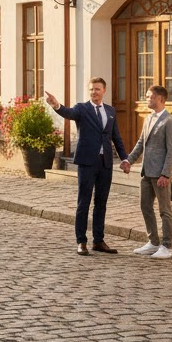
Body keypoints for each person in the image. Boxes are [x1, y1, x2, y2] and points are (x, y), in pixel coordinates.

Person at [46, 79, 128, 255]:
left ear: (104, 90)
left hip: (105, 162)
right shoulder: (82, 109)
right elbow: (68, 113)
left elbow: (116, 137)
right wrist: (56, 105)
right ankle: (81, 241)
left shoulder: (110, 111)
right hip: (87, 162)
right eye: (91, 89)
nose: (94, 92)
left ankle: (98, 241)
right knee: (84, 202)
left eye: (97, 89)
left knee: (101, 203)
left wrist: (125, 159)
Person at [121, 85, 172, 260]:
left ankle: (166, 246)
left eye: (150, 97)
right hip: (146, 172)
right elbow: (141, 144)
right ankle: (153, 242)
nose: (147, 99)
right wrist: (128, 161)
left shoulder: (170, 122)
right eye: (147, 96)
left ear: (160, 99)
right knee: (145, 206)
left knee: (165, 210)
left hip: (161, 175)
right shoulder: (148, 119)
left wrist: (166, 174)